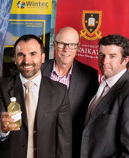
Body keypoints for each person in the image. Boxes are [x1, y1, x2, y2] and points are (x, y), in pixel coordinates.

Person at [0, 34, 72, 158]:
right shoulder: (2, 87)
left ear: (43, 57)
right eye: (21, 55)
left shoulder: (60, 91)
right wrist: (2, 127)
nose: (27, 61)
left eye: (33, 54)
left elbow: (64, 140)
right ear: (15, 59)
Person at [81, 34, 129, 158]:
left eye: (112, 56)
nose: (104, 61)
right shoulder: (106, 84)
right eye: (102, 55)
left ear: (125, 60)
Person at [41, 26, 99, 157]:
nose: (66, 49)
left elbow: (90, 117)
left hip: (71, 147)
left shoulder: (89, 76)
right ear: (55, 44)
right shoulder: (38, 70)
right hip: (40, 145)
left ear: (78, 47)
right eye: (62, 44)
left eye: (72, 45)